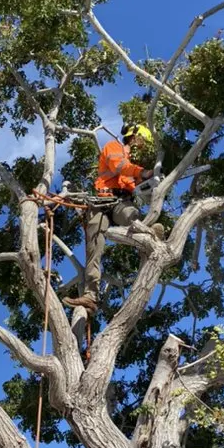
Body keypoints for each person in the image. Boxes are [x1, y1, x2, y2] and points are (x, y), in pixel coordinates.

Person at [63, 123, 165, 314]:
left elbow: (134, 183)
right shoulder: (114, 147)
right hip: (101, 202)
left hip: (121, 202)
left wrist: (151, 183)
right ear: (133, 137)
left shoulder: (133, 164)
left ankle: (151, 234)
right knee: (94, 244)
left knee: (132, 216)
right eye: (142, 141)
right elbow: (119, 166)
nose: (142, 146)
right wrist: (143, 172)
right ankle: (90, 295)